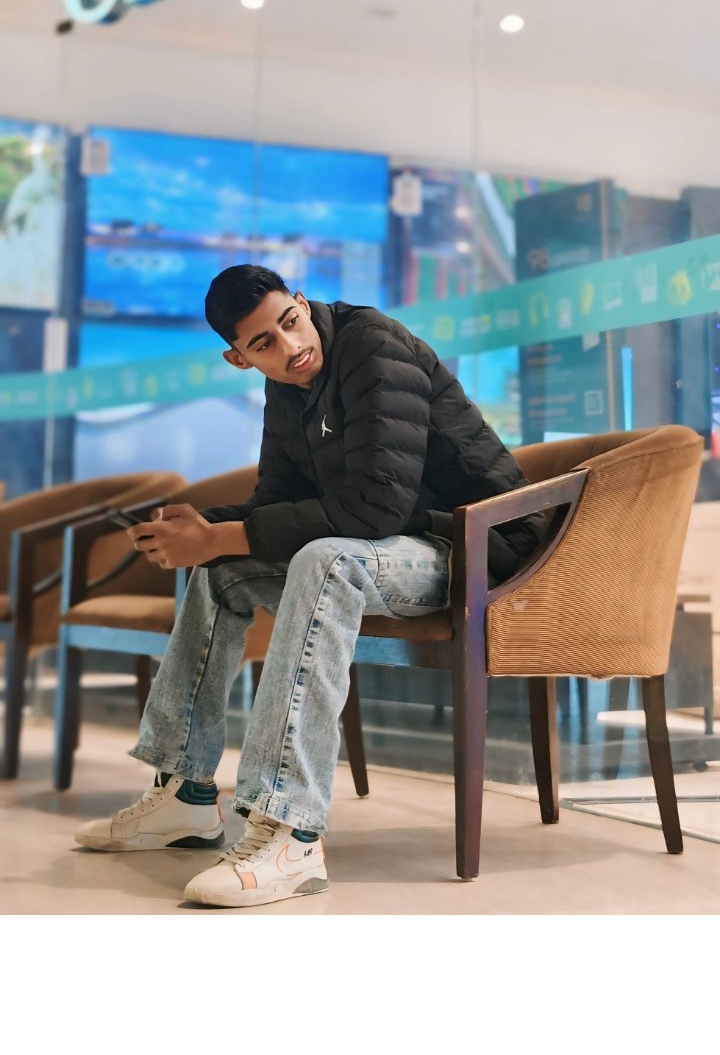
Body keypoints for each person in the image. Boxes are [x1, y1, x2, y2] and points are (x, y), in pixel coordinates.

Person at [75, 266, 545, 908]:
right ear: (239, 359)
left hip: (476, 549)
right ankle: (184, 795)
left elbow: (376, 507)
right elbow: (278, 502)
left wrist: (225, 534)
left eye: (289, 321)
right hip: (401, 543)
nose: (291, 346)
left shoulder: (372, 344)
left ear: (300, 300)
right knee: (222, 569)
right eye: (264, 343)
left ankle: (290, 834)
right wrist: (202, 530)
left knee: (326, 561)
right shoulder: (287, 388)